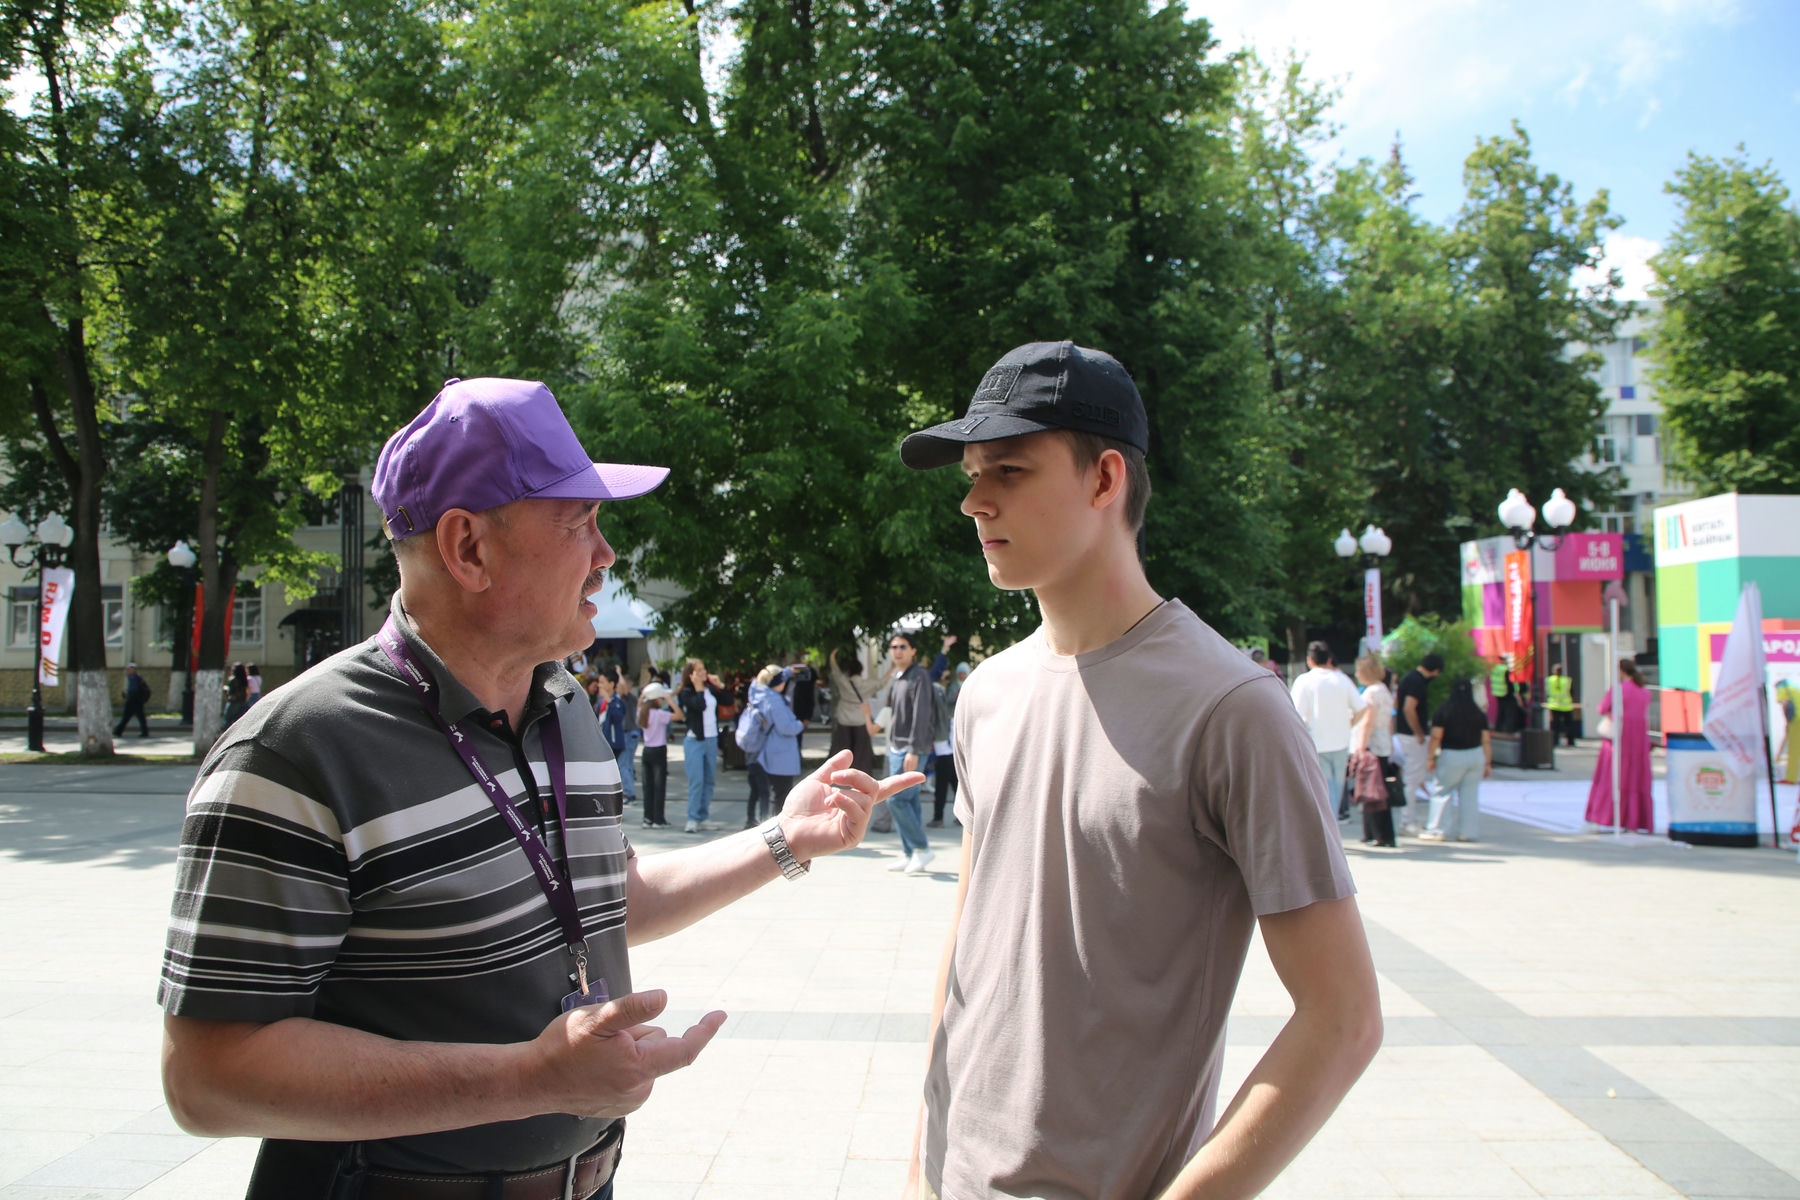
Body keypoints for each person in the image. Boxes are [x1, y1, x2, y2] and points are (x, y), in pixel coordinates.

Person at [157, 376, 922, 1200]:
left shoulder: (563, 706)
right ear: (468, 548)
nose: (606, 554)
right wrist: (530, 1080)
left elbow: (606, 899)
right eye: (579, 521)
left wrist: (784, 840)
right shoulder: (299, 752)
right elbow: (208, 1078)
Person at [899, 340, 1380, 1199]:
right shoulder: (987, 694)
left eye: (1009, 470)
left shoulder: (1231, 708)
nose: (974, 501)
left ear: (1105, 479)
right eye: (970, 475)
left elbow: (1343, 1019)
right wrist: (921, 1163)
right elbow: (969, 942)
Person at [1290, 641, 1367, 821]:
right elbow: (1361, 708)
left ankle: (1328, 828)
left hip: (1315, 742)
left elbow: (1295, 713)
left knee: (1322, 792)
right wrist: (1350, 724)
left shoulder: (1304, 681)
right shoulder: (1341, 679)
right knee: (1337, 790)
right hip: (1341, 741)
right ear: (1329, 659)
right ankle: (1333, 826)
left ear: (1310, 660)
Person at [883, 629, 936, 874]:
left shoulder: (919, 676)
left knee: (895, 799)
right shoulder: (898, 676)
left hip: (910, 748)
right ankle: (910, 853)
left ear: (913, 650)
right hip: (897, 746)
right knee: (909, 800)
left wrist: (913, 750)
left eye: (903, 646)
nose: (898, 651)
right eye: (894, 647)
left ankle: (922, 848)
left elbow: (921, 715)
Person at [1583, 658, 1655, 832]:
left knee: (1612, 775)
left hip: (1619, 736)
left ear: (1621, 671)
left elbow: (1602, 708)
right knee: (1635, 777)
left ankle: (1605, 816)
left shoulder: (1618, 690)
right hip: (1638, 739)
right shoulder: (1645, 692)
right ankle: (1634, 820)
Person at [1421, 678, 1492, 842]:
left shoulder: (1444, 711)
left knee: (1442, 792)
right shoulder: (1478, 713)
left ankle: (1437, 829)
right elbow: (1486, 740)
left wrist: (1430, 757)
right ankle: (1468, 832)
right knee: (1469, 795)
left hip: (1451, 754)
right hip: (1476, 755)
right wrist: (1488, 762)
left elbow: (1436, 736)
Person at [744, 665, 807, 827]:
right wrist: (800, 724)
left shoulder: (759, 693)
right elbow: (785, 727)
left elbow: (770, 678)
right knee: (781, 795)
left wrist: (788, 671)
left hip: (768, 751)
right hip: (780, 755)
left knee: (771, 793)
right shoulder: (775, 701)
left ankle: (766, 827)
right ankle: (775, 831)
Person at [677, 658, 731, 833]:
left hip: (711, 739)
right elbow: (699, 706)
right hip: (695, 740)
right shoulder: (687, 692)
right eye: (698, 670)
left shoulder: (710, 690)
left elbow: (728, 701)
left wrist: (720, 685)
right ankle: (692, 818)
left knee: (709, 781)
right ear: (690, 674)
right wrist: (698, 687)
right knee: (697, 781)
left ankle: (704, 816)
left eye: (703, 669)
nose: (703, 673)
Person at [1392, 652, 1443, 836]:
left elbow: (1397, 704)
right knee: (1413, 779)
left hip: (1405, 733)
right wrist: (1418, 732)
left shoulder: (1408, 678)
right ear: (1436, 670)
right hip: (1412, 736)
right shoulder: (1417, 682)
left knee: (1412, 777)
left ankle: (1408, 819)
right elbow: (1409, 708)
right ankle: (1407, 821)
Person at [1349, 655, 1397, 848]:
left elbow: (1368, 721)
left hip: (1371, 745)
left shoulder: (1371, 693)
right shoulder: (1384, 690)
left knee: (1371, 790)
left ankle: (1377, 833)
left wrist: (1361, 747)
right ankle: (1379, 833)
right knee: (1379, 790)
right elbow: (1390, 721)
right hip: (1383, 744)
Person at [827, 647, 878, 775]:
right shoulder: (868, 684)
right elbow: (882, 682)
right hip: (861, 719)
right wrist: (892, 669)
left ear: (849, 670)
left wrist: (832, 656)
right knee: (861, 751)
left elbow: (835, 670)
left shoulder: (843, 681)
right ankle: (861, 774)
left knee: (843, 748)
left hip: (844, 718)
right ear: (861, 670)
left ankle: (841, 774)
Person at [928, 663, 969, 828]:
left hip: (949, 742)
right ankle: (958, 816)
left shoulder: (941, 691)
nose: (946, 677)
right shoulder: (938, 690)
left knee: (947, 781)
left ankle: (943, 817)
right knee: (952, 780)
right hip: (944, 741)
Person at [637, 681, 674, 827]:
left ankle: (648, 818)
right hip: (659, 750)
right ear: (657, 699)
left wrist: (642, 697)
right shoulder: (659, 714)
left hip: (647, 750)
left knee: (648, 786)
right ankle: (658, 819)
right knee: (659, 786)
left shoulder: (642, 712)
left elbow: (639, 705)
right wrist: (670, 701)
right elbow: (679, 715)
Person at [602, 668, 639, 807]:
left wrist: (618, 673)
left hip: (629, 734)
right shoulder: (610, 701)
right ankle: (625, 793)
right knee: (622, 766)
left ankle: (629, 793)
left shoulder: (628, 699)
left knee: (624, 765)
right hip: (621, 735)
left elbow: (622, 687)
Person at [114, 662, 153, 738]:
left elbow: (133, 689)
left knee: (127, 716)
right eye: (127, 669)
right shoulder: (136, 677)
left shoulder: (133, 678)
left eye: (129, 669)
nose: (127, 671)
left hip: (133, 700)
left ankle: (118, 731)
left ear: (133, 670)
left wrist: (128, 694)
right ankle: (145, 732)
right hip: (137, 700)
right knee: (140, 716)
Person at [1544, 661, 1577, 747]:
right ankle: (1570, 741)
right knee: (1568, 725)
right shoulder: (1567, 680)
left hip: (1554, 705)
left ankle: (1555, 741)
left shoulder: (1549, 680)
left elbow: (1547, 692)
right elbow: (1572, 692)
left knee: (1555, 725)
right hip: (1565, 706)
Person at [222, 662, 251, 727]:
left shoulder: (233, 679)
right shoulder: (244, 679)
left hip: (233, 702)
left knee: (227, 721)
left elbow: (231, 692)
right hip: (243, 701)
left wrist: (226, 690)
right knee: (238, 722)